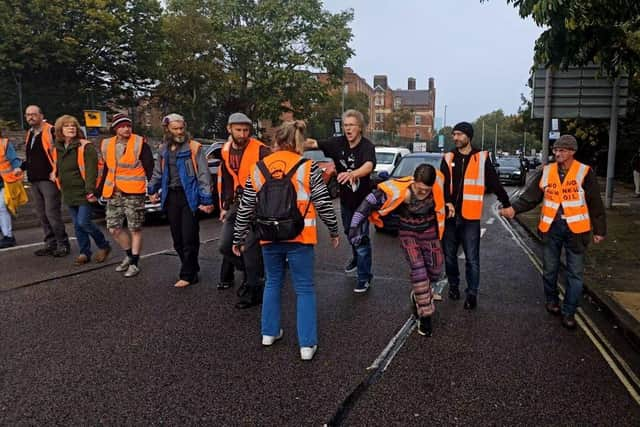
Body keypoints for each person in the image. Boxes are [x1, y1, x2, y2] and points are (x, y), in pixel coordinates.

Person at [232, 120, 340, 360]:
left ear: (276, 141)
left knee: (272, 282)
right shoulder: (307, 167)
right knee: (304, 288)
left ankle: (269, 333)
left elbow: (246, 205)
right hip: (300, 235)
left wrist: (238, 236)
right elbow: (323, 202)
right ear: (298, 143)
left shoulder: (259, 167)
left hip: (269, 235)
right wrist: (333, 230)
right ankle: (306, 345)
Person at [500, 135, 606, 329]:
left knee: (575, 274)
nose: (557, 153)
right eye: (556, 150)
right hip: (551, 228)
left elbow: (595, 203)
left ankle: (569, 312)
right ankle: (551, 300)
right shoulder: (546, 172)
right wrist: (513, 209)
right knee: (549, 270)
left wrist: (600, 230)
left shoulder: (584, 172)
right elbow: (530, 197)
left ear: (572, 152)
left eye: (562, 150)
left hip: (577, 230)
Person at [348, 164, 449, 336]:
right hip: (408, 233)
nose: (422, 193)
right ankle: (425, 317)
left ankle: (418, 295)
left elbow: (448, 195)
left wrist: (450, 204)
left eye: (427, 190)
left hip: (429, 232)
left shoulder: (438, 183)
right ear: (414, 181)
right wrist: (354, 228)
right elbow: (366, 205)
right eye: (419, 188)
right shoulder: (399, 190)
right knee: (418, 271)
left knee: (435, 270)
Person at [440, 121, 511, 310]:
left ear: (468, 136)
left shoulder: (481, 157)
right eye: (454, 134)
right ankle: (453, 286)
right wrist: (447, 202)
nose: (455, 138)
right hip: (449, 216)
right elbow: (441, 184)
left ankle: (472, 293)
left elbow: (494, 182)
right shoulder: (448, 157)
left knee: (472, 258)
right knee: (449, 257)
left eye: (459, 134)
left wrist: (507, 203)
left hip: (470, 217)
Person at [304, 109, 376, 293]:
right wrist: (292, 140)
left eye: (351, 125)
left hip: (363, 200)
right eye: (345, 125)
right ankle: (356, 258)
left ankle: (364, 277)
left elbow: (368, 166)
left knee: (361, 238)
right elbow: (313, 143)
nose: (348, 129)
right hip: (346, 200)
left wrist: (352, 174)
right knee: (349, 232)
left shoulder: (367, 146)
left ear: (360, 127)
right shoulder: (337, 143)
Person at [148, 114, 214, 288]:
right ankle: (192, 266)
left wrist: (206, 199)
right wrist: (152, 189)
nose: (179, 132)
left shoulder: (194, 147)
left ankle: (188, 274)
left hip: (189, 197)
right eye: (175, 129)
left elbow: (203, 174)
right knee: (177, 239)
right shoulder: (163, 149)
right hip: (171, 196)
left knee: (189, 237)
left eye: (181, 128)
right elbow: (157, 173)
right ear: (167, 130)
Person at [218, 112, 270, 308]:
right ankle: (253, 274)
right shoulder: (225, 150)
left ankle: (252, 291)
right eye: (238, 130)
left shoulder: (261, 150)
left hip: (257, 205)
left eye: (246, 130)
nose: (243, 134)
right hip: (237, 204)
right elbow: (227, 178)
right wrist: (225, 205)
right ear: (229, 129)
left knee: (248, 247)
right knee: (225, 245)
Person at [100, 113, 154, 277]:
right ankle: (129, 256)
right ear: (115, 128)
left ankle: (135, 263)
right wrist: (98, 190)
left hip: (134, 191)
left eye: (128, 125)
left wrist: (152, 190)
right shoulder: (106, 144)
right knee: (114, 228)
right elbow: (106, 169)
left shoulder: (139, 142)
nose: (126, 128)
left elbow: (150, 167)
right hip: (114, 191)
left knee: (135, 228)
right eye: (122, 126)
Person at [53, 115, 111, 265]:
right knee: (77, 225)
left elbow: (92, 170)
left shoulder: (85, 146)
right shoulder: (58, 148)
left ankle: (104, 245)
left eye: (73, 125)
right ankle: (84, 252)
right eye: (67, 126)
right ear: (60, 130)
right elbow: (57, 167)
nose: (71, 128)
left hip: (84, 191)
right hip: (68, 192)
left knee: (83, 222)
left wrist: (90, 190)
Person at [22, 105, 70, 256]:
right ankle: (50, 243)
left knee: (51, 213)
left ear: (41, 115)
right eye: (28, 115)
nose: (30, 117)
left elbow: (60, 154)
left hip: (48, 179)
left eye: (33, 114)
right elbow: (31, 156)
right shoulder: (30, 133)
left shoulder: (51, 131)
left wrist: (55, 172)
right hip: (34, 179)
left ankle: (63, 244)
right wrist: (21, 167)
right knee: (42, 214)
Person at [0, 134, 24, 248]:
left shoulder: (4, 143)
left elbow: (14, 160)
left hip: (6, 182)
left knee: (2, 208)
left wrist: (18, 169)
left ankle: (8, 236)